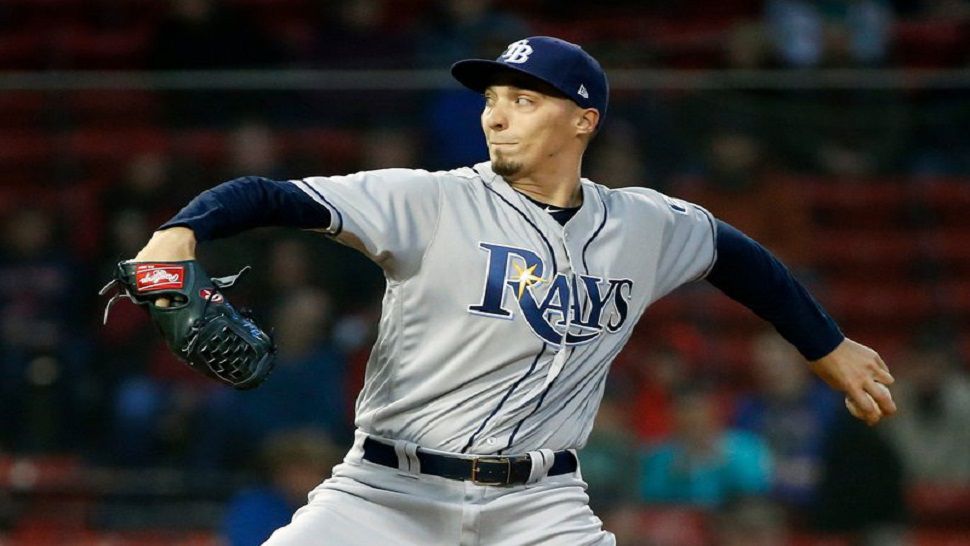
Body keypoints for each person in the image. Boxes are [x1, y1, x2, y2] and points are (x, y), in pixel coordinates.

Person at [129, 36, 897, 545]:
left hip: (540, 507)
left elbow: (737, 255)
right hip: (385, 495)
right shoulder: (430, 201)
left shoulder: (644, 224)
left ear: (583, 121)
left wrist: (824, 344)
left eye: (525, 101)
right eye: (494, 98)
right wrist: (180, 232)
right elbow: (271, 195)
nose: (497, 113)